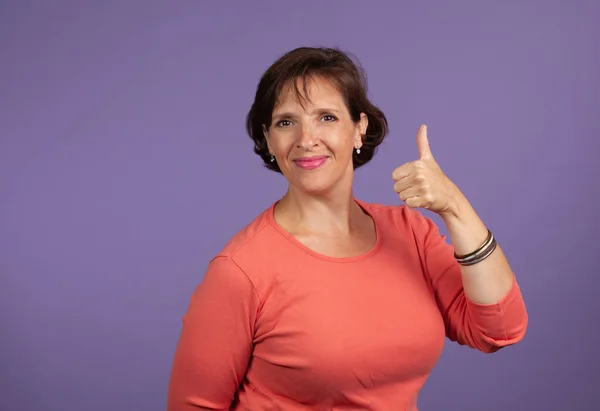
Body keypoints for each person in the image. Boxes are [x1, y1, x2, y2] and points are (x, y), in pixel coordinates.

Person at [167, 47, 528, 411]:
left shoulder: (410, 233)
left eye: (326, 117)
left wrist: (455, 206)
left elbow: (498, 328)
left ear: (360, 128)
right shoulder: (240, 271)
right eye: (286, 122)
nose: (306, 139)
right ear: (270, 139)